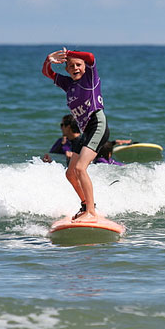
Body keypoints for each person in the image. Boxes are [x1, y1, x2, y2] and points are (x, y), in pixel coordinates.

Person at [42, 47, 110, 222]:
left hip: (97, 124)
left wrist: (69, 53)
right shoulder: (68, 84)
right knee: (70, 174)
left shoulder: (90, 78)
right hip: (85, 131)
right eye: (71, 66)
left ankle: (91, 213)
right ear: (66, 69)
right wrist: (49, 59)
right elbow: (46, 72)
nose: (76, 68)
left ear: (85, 67)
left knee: (80, 169)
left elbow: (90, 56)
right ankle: (87, 205)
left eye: (78, 65)